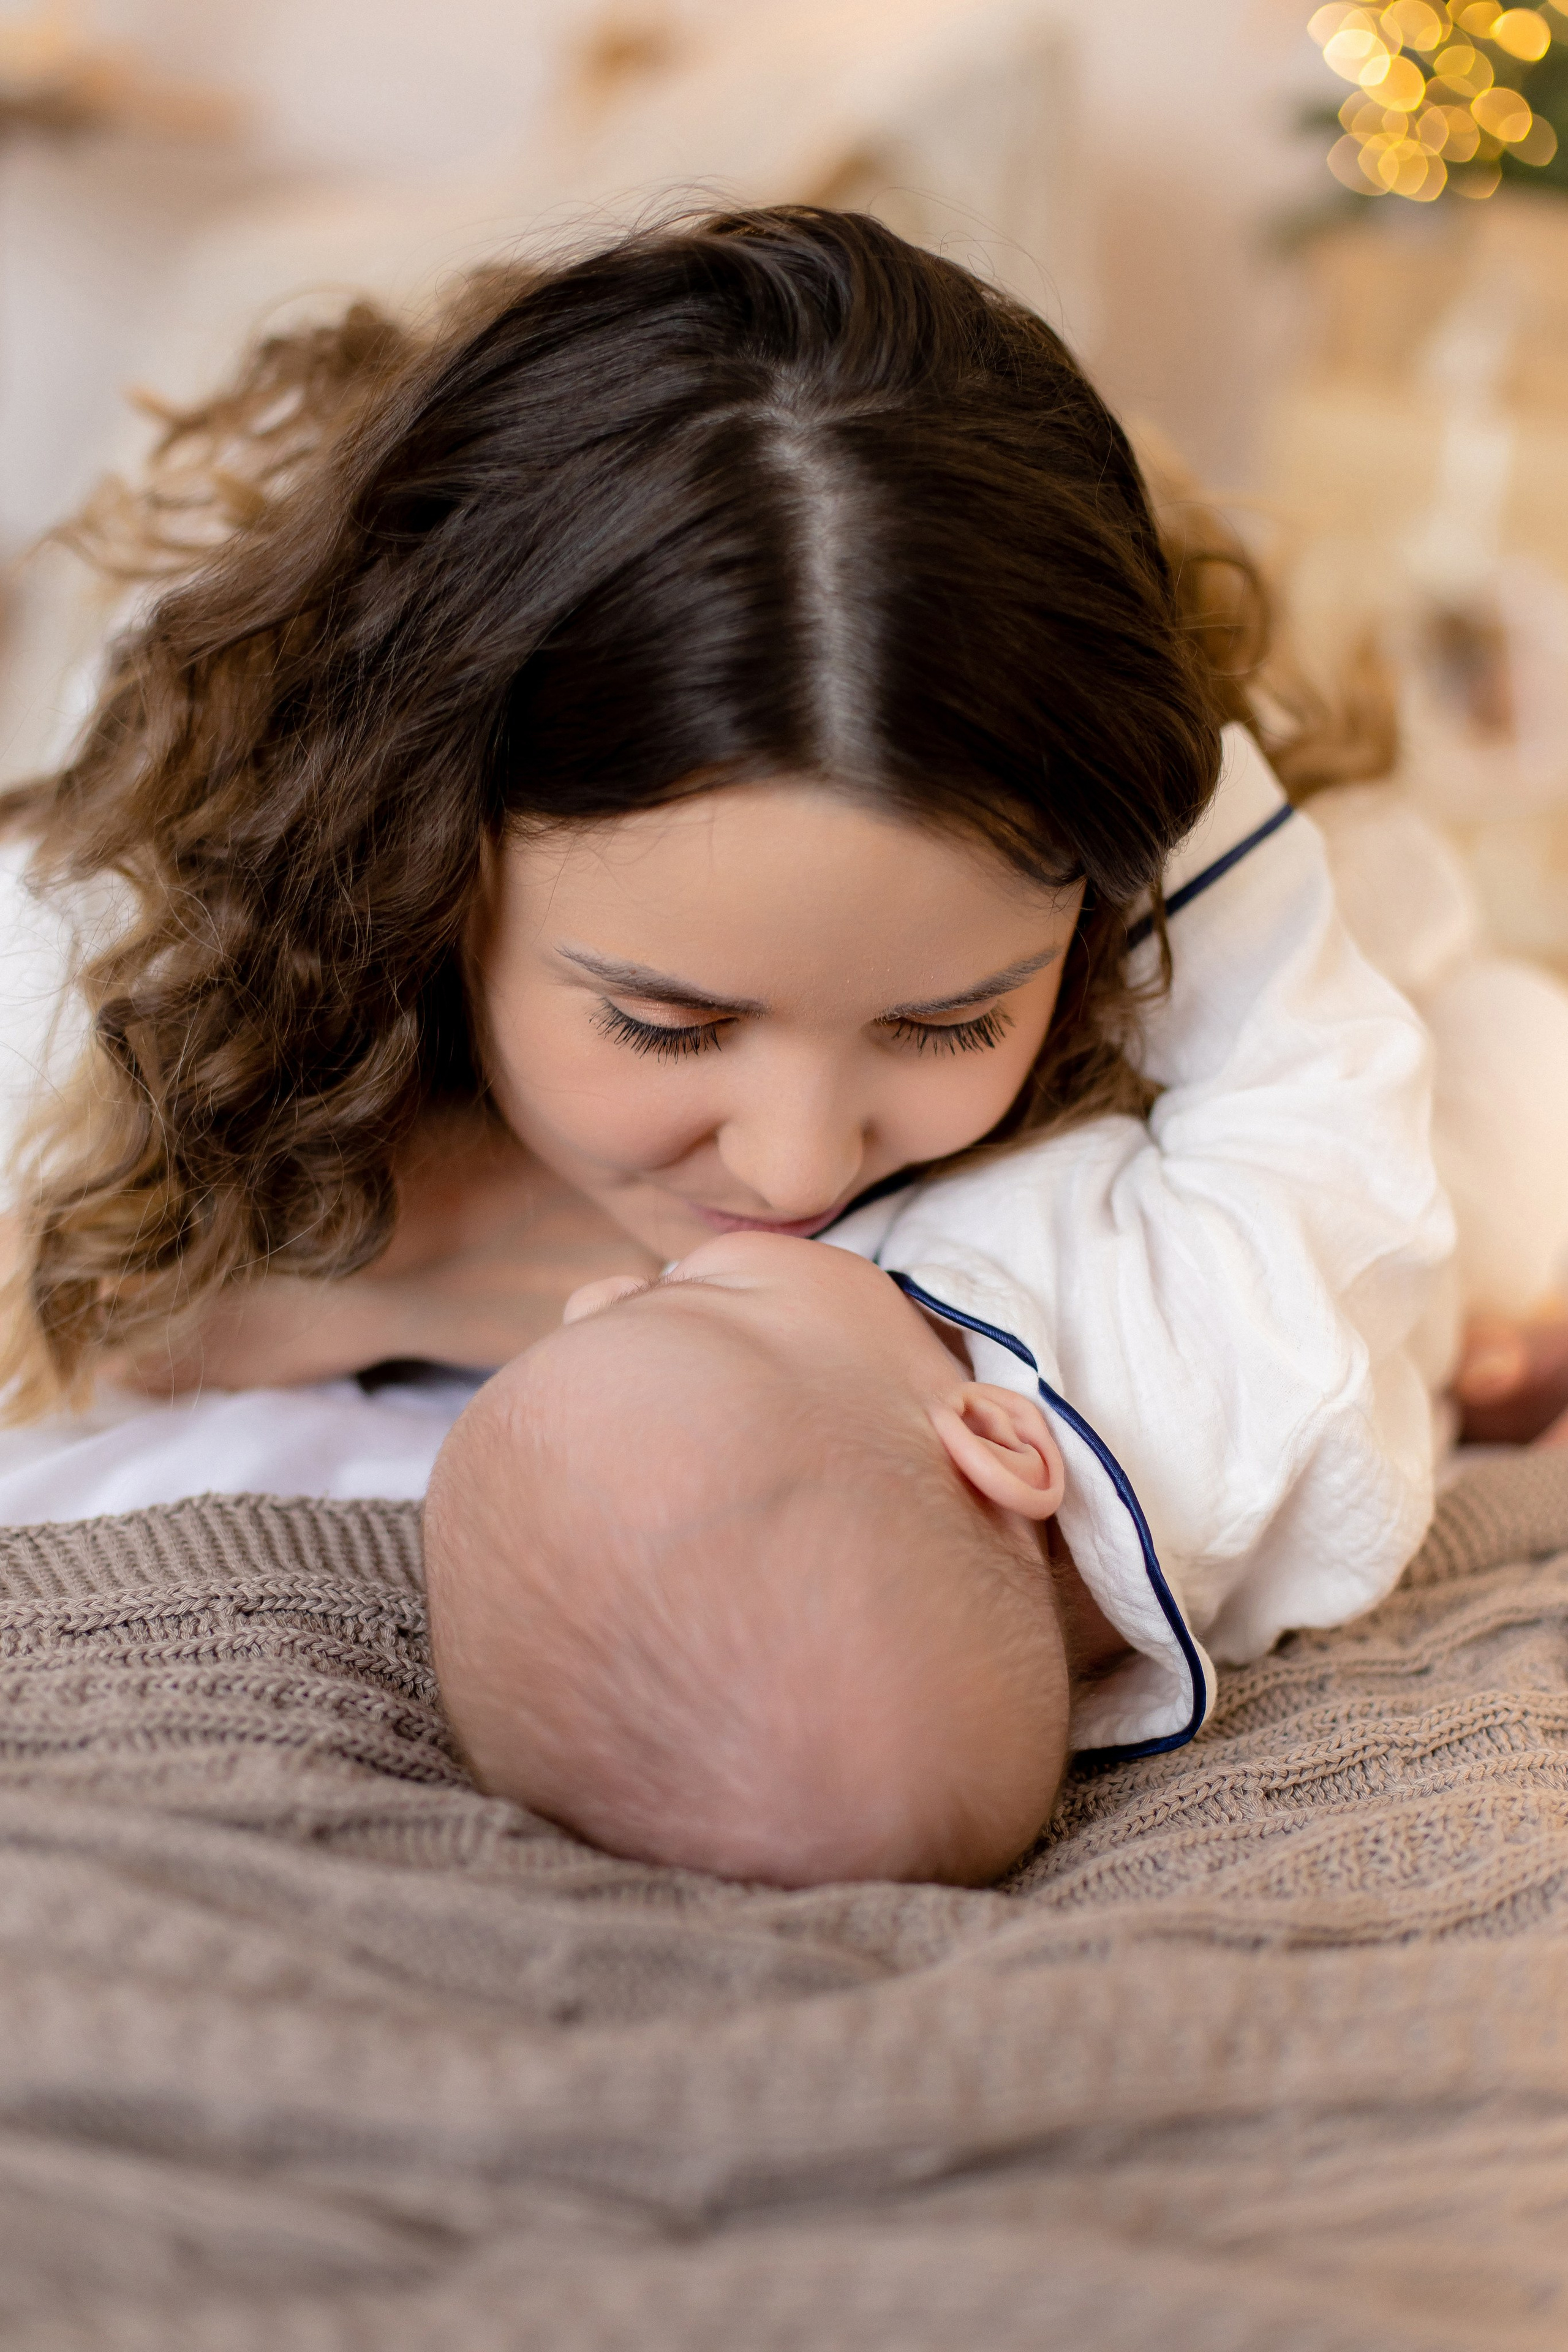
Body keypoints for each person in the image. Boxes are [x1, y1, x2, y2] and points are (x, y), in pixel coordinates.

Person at [0, 208, 1445, 1782]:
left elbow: (1367, 1154)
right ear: (420, 864)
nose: (794, 1167)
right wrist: (333, 1289)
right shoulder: (150, 934)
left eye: (951, 1019)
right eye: (670, 1023)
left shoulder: (1196, 961)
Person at [427, 1232, 1097, 1887]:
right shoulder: (1147, 1354)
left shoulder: (873, 1358)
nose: (592, 1294)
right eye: (695, 1295)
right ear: (992, 1437)